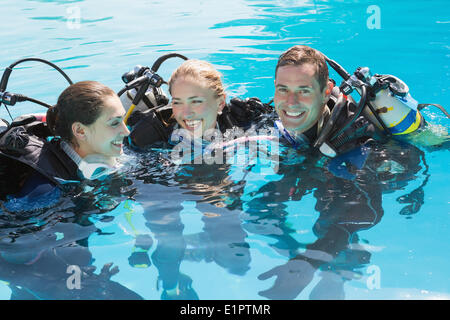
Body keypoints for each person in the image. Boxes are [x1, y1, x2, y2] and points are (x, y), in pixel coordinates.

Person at [0, 80, 130, 199]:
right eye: (114, 123)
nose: (126, 131)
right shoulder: (45, 190)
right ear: (80, 131)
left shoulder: (104, 153)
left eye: (122, 120)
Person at [125, 59, 271, 149]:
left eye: (196, 101)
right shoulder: (153, 137)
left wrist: (263, 116)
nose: (186, 113)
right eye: (178, 102)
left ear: (220, 103)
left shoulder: (238, 121)